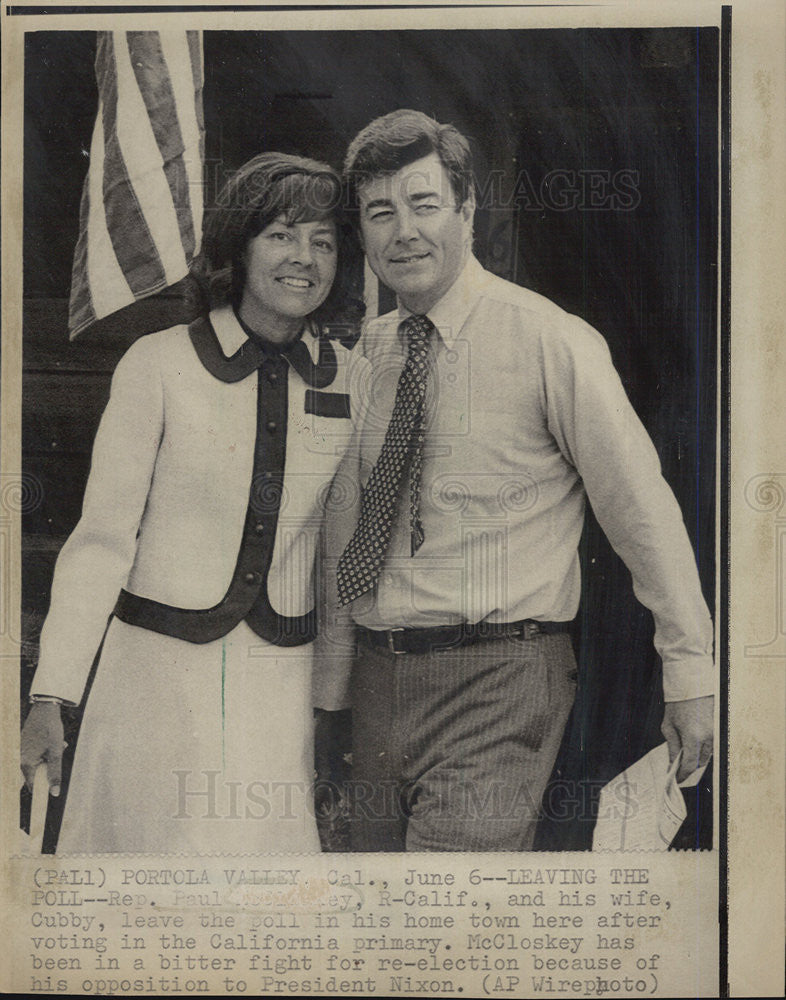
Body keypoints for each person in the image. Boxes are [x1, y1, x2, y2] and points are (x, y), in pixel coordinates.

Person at [330, 109, 714, 852]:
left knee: (446, 919)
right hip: (377, 685)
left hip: (500, 679)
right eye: (381, 212)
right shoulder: (368, 352)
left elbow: (640, 510)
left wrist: (690, 671)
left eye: (424, 203)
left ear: (468, 210)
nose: (403, 230)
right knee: (373, 914)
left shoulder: (548, 340)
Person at [20, 152, 362, 853]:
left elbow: (340, 555)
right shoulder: (158, 362)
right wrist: (51, 696)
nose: (304, 259)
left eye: (322, 241)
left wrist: (332, 703)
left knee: (260, 903)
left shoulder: (353, 377)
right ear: (238, 246)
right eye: (281, 235)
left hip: (279, 691)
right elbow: (101, 542)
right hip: (154, 680)